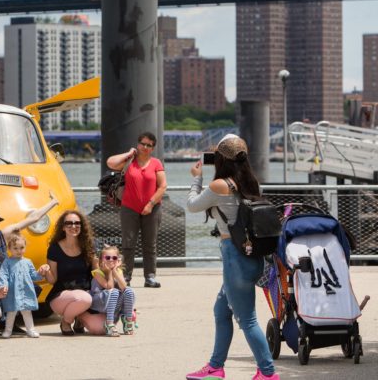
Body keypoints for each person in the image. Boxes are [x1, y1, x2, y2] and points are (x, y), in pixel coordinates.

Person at [185, 134, 279, 380]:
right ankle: (216, 366)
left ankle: (268, 373)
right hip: (250, 256)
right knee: (221, 311)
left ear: (221, 160)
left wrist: (197, 180)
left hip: (234, 258)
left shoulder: (219, 186)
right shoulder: (250, 183)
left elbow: (193, 205)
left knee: (247, 320)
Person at [106, 131, 167, 288]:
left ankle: (150, 277)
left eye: (149, 145)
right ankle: (125, 277)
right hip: (129, 208)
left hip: (152, 209)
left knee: (150, 244)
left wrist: (150, 204)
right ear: (138, 144)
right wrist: (129, 153)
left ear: (153, 148)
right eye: (142, 144)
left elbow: (162, 186)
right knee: (128, 244)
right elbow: (110, 163)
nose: (145, 147)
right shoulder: (129, 161)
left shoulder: (156, 163)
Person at [40, 209, 101, 335]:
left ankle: (79, 318)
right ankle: (66, 321)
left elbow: (96, 274)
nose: (73, 226)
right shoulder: (55, 248)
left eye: (77, 223)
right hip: (62, 297)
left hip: (85, 297)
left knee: (99, 328)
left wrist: (106, 268)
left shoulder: (89, 246)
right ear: (63, 227)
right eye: (69, 223)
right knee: (84, 299)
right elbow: (52, 280)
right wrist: (46, 271)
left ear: (81, 226)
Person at [0, 233, 48, 338]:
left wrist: (41, 273)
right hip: (12, 292)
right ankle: (8, 330)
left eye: (21, 248)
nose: (19, 250)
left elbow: (34, 276)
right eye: (15, 248)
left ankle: (31, 330)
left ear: (25, 247)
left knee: (27, 311)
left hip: (25, 291)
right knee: (11, 312)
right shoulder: (7, 262)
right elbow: (3, 274)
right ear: (9, 249)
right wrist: (4, 285)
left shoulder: (28, 262)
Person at [90, 244, 135, 336]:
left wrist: (114, 270)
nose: (111, 260)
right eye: (107, 257)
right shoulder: (97, 273)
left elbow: (123, 286)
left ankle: (127, 319)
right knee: (114, 291)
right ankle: (109, 323)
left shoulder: (118, 271)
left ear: (118, 260)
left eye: (114, 258)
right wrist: (110, 272)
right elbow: (109, 287)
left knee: (129, 291)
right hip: (99, 302)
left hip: (112, 302)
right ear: (101, 260)